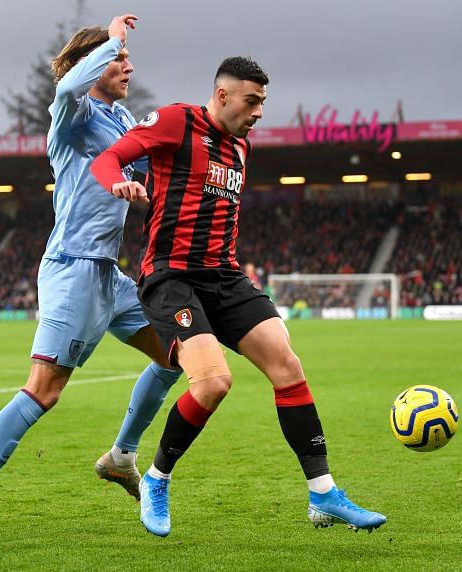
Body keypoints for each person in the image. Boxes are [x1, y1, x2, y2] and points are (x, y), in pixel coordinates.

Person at [91, 56, 387, 537]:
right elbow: (107, 159)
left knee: (288, 368)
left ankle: (323, 494)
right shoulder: (174, 121)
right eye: (252, 101)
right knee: (212, 383)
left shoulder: (242, 146)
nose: (259, 112)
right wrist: (119, 183)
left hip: (225, 277)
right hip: (172, 277)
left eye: (264, 102)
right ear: (223, 95)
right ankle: (157, 479)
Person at [0, 13, 182, 551]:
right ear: (91, 63)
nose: (129, 65)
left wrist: (137, 187)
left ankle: (121, 458)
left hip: (111, 276)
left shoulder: (119, 119)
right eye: (119, 59)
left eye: (125, 57)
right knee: (43, 392)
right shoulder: (69, 113)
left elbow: (139, 158)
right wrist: (112, 37)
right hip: (72, 269)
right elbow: (70, 83)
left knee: (178, 353)